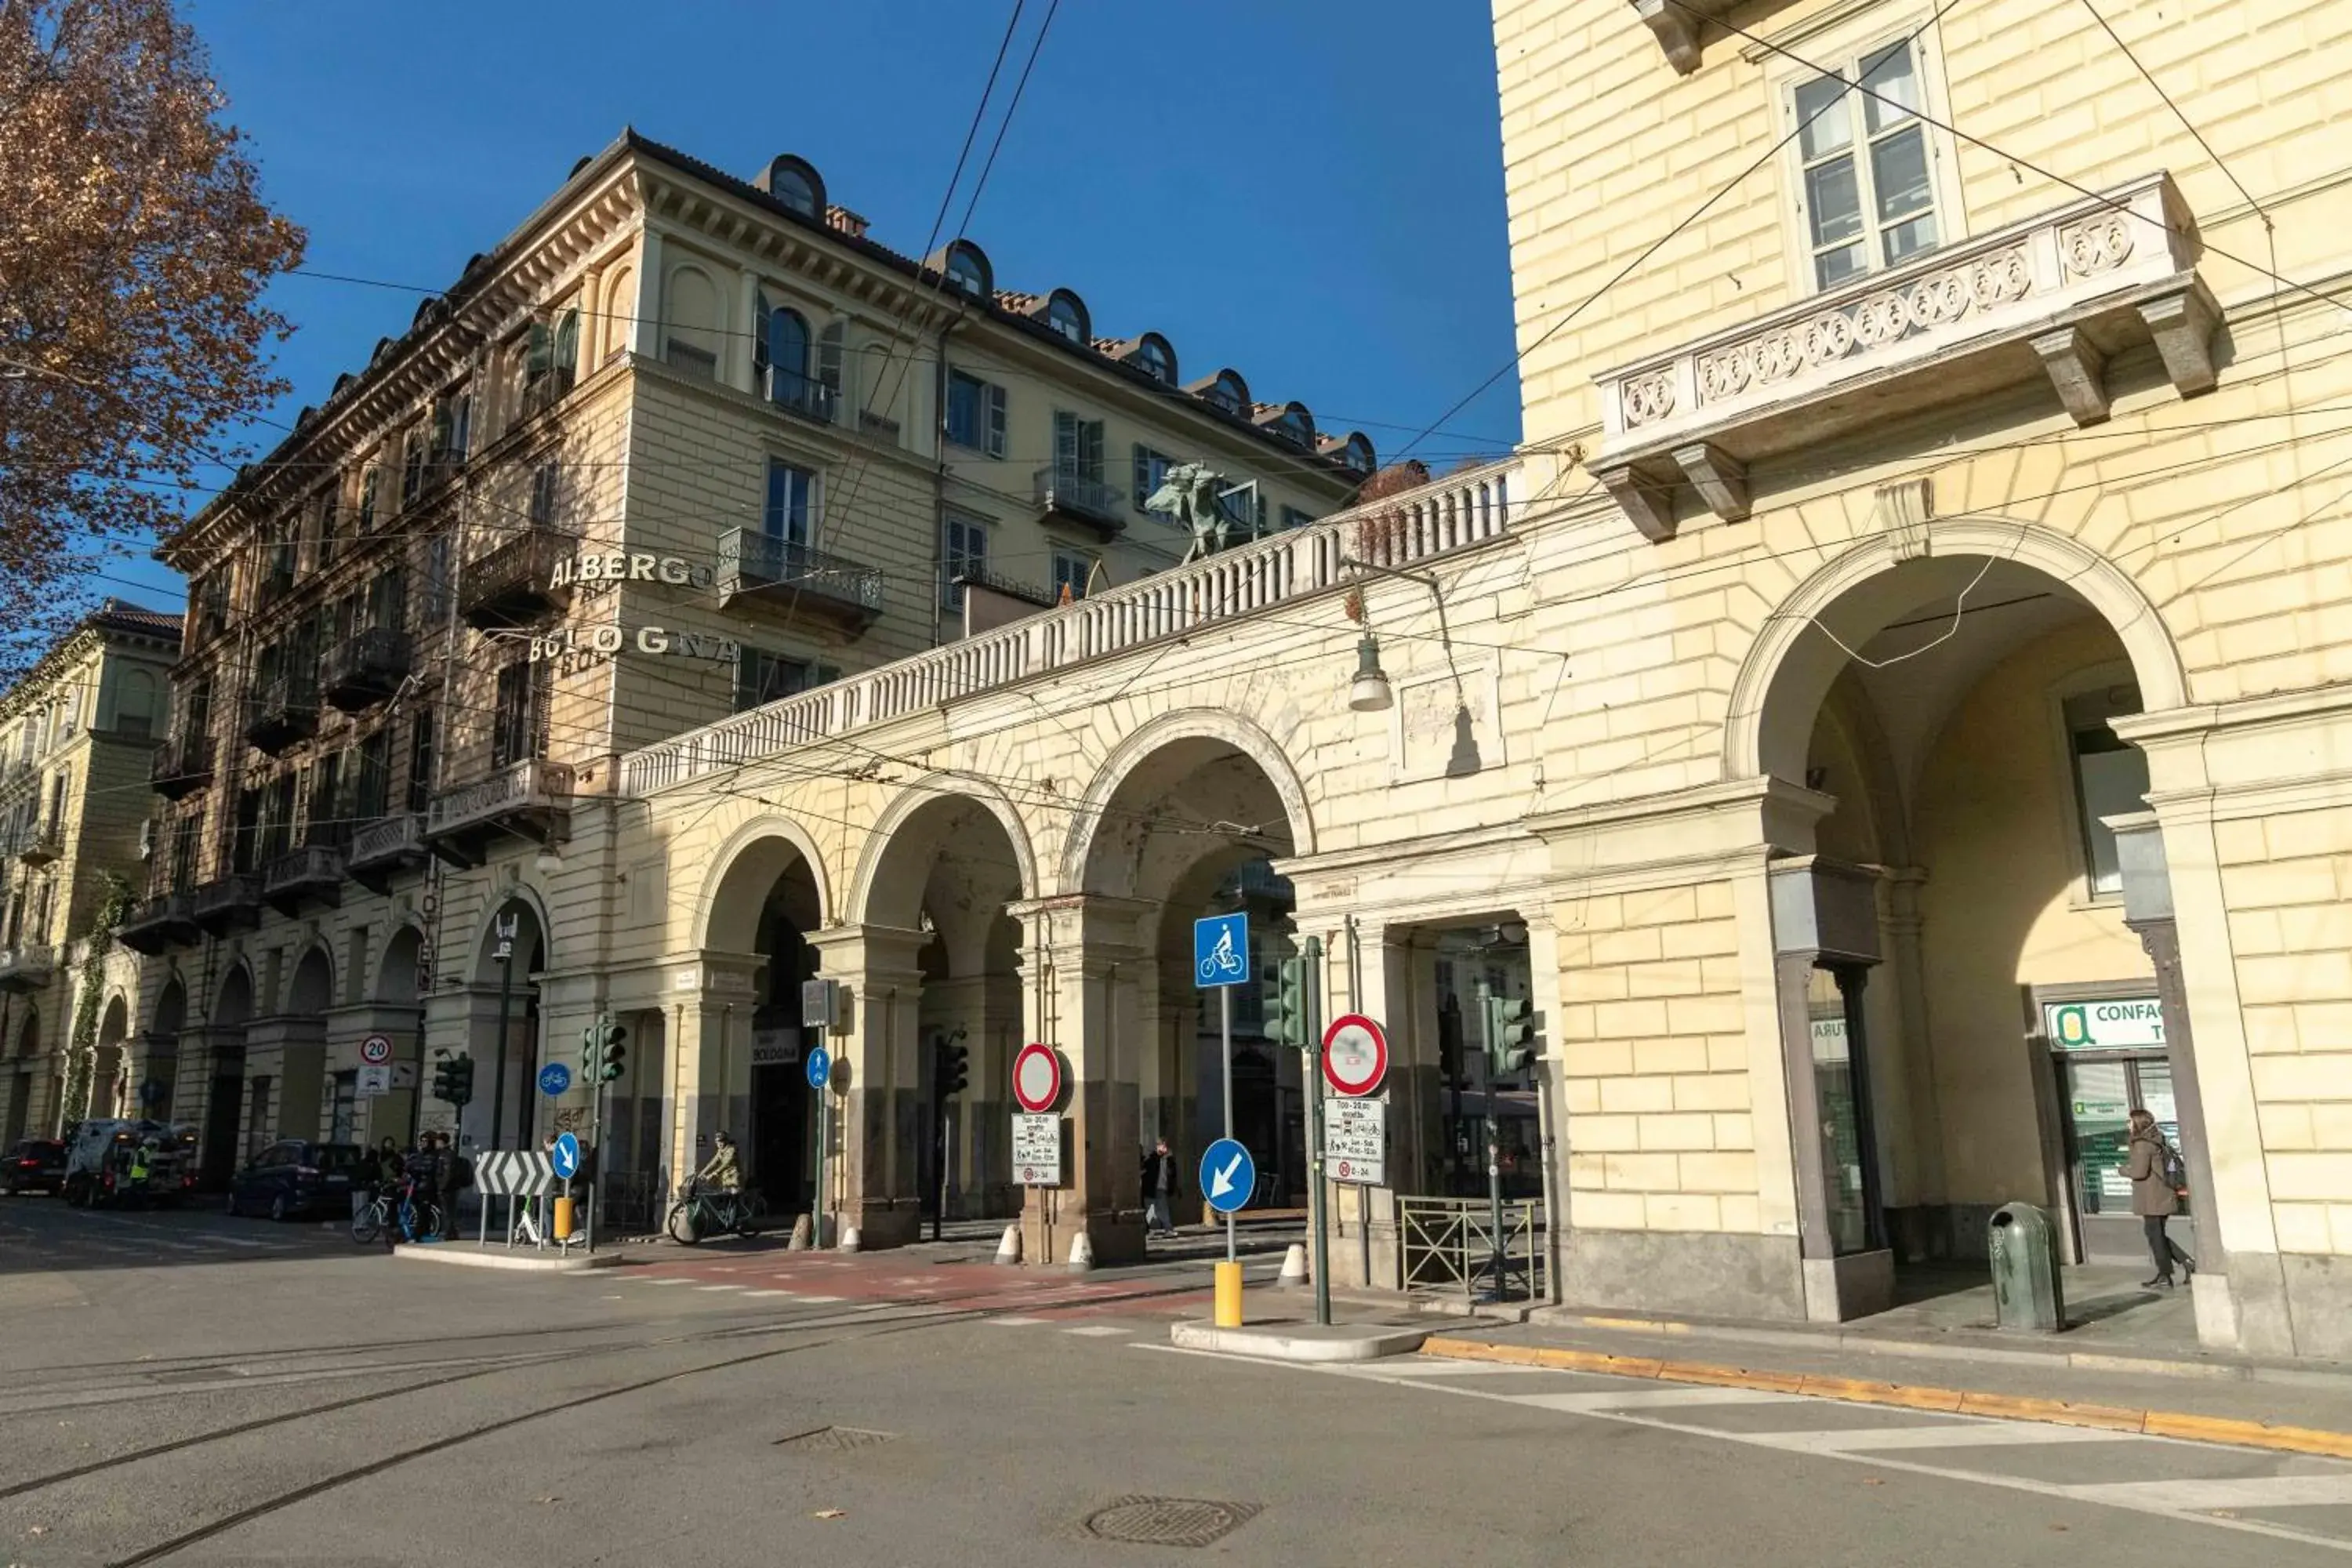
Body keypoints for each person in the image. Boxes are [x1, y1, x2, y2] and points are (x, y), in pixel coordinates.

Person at [2126, 1108, 2194, 1288]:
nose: (2128, 1125)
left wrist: (2122, 1169)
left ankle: (2167, 1274)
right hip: (2159, 1195)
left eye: (2130, 1121)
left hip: (2154, 1198)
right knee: (2156, 1235)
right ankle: (2182, 1265)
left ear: (2139, 1124)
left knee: (2154, 1235)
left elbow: (2139, 1172)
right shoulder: (2155, 1140)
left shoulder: (2142, 1144)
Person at [1141, 1137, 1180, 1238]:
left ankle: (1168, 1229)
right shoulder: (1152, 1158)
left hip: (1162, 1187)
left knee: (1163, 1209)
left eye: (1166, 1146)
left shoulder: (1168, 1159)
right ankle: (1151, 1231)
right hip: (1151, 1188)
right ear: (1158, 1147)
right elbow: (1144, 1170)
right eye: (1163, 1145)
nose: (1165, 1148)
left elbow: (1173, 1174)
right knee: (1151, 1210)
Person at [696, 1130, 740, 1195]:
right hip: (725, 1181)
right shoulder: (720, 1151)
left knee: (733, 1199)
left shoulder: (731, 1150)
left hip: (733, 1180)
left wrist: (713, 1174)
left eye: (722, 1141)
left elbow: (725, 1164)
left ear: (726, 1141)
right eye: (718, 1141)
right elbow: (712, 1163)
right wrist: (701, 1174)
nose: (720, 1144)